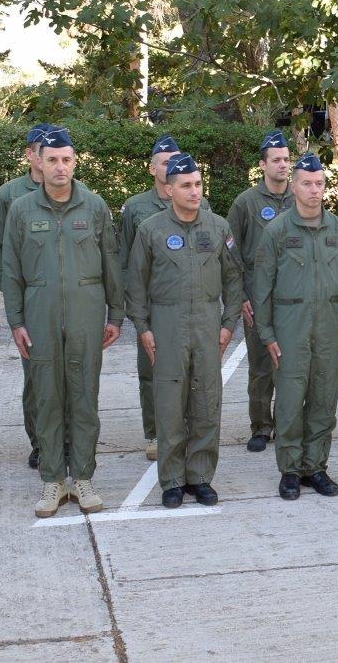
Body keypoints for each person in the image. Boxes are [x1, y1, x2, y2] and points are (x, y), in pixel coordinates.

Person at [1, 127, 125, 518]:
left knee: (85, 397)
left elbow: (112, 263)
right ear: (39, 161)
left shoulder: (94, 206)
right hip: (39, 318)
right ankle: (52, 481)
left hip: (87, 317)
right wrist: (16, 321)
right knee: (47, 399)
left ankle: (84, 478)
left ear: (75, 162)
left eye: (66, 160)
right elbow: (11, 270)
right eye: (52, 159)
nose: (59, 167)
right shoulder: (21, 209)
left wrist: (116, 314)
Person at [127, 153, 242, 509]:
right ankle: (173, 479)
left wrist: (228, 324)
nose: (194, 192)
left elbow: (234, 278)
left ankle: (201, 476)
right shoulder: (151, 230)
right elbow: (135, 282)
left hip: (208, 324)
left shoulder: (218, 227)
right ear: (169, 188)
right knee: (170, 404)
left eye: (198, 184)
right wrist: (143, 327)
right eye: (186, 186)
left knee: (207, 401)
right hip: (167, 324)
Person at [253, 152, 338, 500]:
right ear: (294, 187)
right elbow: (262, 288)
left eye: (319, 184)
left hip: (328, 329)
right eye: (307, 184)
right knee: (290, 402)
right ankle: (290, 470)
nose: (314, 190)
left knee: (324, 400)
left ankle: (316, 467)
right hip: (290, 329)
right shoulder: (277, 230)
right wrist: (267, 334)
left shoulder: (337, 229)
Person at [118, 134, 210, 462]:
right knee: (152, 370)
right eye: (164, 161)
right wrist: (133, 309)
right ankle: (155, 432)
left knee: (192, 372)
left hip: (190, 307)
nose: (171, 164)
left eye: (175, 159)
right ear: (152, 168)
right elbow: (126, 260)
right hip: (156, 305)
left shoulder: (200, 203)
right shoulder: (136, 208)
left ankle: (184, 428)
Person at [0, 122, 50, 469]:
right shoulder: (10, 195)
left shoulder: (74, 191)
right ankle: (40, 441)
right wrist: (11, 287)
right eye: (44, 153)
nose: (53, 162)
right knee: (36, 374)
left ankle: (67, 439)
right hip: (28, 299)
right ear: (30, 155)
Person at [228, 130, 294, 453]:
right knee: (261, 366)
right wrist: (240, 297)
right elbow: (231, 255)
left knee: (290, 366)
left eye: (286, 159)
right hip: (258, 300)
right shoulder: (245, 203)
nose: (283, 165)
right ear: (262, 165)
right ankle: (260, 425)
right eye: (276, 160)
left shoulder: (299, 198)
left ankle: (286, 425)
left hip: (293, 300)